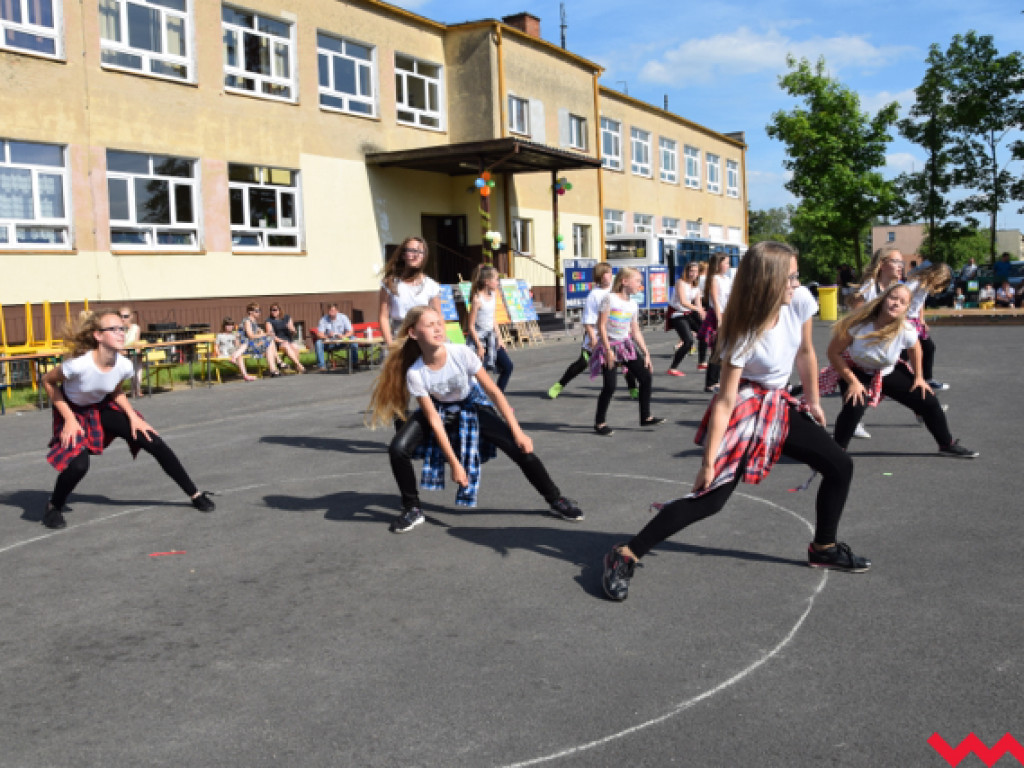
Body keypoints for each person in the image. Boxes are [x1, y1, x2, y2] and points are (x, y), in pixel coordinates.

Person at [601, 242, 869, 602]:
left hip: (778, 402)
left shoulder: (800, 300)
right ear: (769, 280)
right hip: (746, 405)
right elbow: (726, 400)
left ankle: (824, 548)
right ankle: (626, 554)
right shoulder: (743, 329)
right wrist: (708, 461)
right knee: (711, 499)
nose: (797, 284)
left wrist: (813, 401)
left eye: (796, 276)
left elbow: (806, 351)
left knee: (840, 465)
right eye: (790, 278)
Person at [366, 306, 583, 533]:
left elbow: (494, 392)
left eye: (439, 323)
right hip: (439, 410)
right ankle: (412, 508)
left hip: (472, 403)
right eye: (430, 325)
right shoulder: (416, 372)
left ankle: (556, 500)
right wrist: (455, 464)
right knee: (397, 448)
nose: (438, 328)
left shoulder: (461, 353)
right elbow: (434, 420)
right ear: (413, 333)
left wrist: (518, 432)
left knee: (519, 448)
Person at [39, 309, 215, 530]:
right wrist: (69, 419)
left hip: (101, 406)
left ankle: (195, 494)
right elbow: (47, 381)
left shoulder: (123, 365)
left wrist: (133, 416)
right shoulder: (78, 365)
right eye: (113, 329)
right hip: (71, 410)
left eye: (122, 328)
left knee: (151, 439)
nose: (121, 333)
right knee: (79, 466)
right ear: (98, 335)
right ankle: (53, 506)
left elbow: (114, 390)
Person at [823, 283, 978, 459]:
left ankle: (946, 445)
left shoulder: (906, 329)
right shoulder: (858, 324)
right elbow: (833, 353)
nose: (896, 303)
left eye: (902, 302)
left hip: (887, 371)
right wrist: (853, 382)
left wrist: (919, 377)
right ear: (883, 299)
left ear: (906, 308)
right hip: (856, 370)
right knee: (855, 405)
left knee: (928, 400)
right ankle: (836, 452)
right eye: (893, 298)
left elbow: (915, 349)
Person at [546, 262, 638, 400]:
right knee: (583, 362)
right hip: (596, 334)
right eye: (606, 273)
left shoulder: (616, 291)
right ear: (600, 276)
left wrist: (628, 329)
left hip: (616, 334)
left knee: (625, 361)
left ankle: (633, 388)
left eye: (611, 272)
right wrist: (593, 338)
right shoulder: (594, 295)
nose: (610, 275)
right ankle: (560, 384)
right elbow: (588, 321)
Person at [591, 266, 663, 436]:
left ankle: (645, 416)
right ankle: (600, 423)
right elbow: (601, 326)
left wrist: (646, 353)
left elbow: (635, 331)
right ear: (624, 281)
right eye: (637, 281)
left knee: (645, 377)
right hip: (609, 346)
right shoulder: (610, 299)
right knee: (610, 386)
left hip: (625, 346)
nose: (640, 284)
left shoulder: (633, 304)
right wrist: (607, 350)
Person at [846, 245, 906, 439]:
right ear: (882, 264)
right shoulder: (868, 289)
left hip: (883, 348)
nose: (901, 265)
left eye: (902, 262)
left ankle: (921, 409)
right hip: (861, 350)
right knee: (857, 392)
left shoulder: (895, 289)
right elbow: (854, 322)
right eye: (896, 261)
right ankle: (850, 426)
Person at [378, 236, 444, 346]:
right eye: (412, 250)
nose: (416, 255)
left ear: (424, 257)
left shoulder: (431, 285)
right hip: (399, 336)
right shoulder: (390, 283)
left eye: (420, 252)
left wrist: (441, 340)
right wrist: (390, 345)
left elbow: (438, 316)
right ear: (403, 255)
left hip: (425, 337)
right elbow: (383, 317)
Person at [905, 262, 953, 390]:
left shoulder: (925, 285)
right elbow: (901, 297)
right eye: (940, 281)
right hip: (906, 320)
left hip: (915, 320)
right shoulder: (914, 283)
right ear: (936, 275)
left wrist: (922, 319)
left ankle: (928, 379)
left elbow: (920, 303)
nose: (939, 285)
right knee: (905, 353)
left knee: (929, 348)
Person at [466, 265, 513, 391]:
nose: (498, 282)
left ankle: (498, 396)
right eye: (496, 279)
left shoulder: (493, 295)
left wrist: (500, 339)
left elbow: (493, 319)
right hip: (479, 340)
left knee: (508, 366)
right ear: (487, 281)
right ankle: (477, 399)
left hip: (491, 338)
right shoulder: (477, 299)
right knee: (480, 376)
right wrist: (479, 347)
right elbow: (471, 326)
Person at [698, 253, 733, 392]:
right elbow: (716, 300)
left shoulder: (727, 279)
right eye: (726, 263)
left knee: (726, 349)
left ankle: (720, 380)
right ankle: (711, 382)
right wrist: (719, 319)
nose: (728, 266)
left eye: (728, 263)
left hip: (728, 314)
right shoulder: (714, 279)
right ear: (718, 264)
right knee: (717, 349)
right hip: (718, 314)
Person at [665, 262, 705, 376]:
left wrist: (702, 314)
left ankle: (702, 362)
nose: (693, 274)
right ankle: (673, 368)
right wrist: (698, 309)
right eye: (691, 271)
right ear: (686, 271)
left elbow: (698, 303)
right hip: (677, 314)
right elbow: (683, 302)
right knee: (688, 341)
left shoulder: (696, 287)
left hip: (689, 313)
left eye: (695, 271)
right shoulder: (680, 283)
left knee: (705, 333)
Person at [240, 303, 280, 377]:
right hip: (247, 346)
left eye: (259, 310)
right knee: (269, 342)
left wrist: (264, 333)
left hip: (255, 344)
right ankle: (276, 365)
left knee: (269, 342)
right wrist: (265, 334)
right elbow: (250, 336)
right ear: (250, 312)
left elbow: (259, 333)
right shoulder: (247, 321)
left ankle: (274, 369)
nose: (259, 313)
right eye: (257, 311)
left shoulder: (254, 322)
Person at [314, 303, 357, 371]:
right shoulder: (323, 319)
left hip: (342, 341)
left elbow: (351, 331)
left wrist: (343, 336)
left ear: (337, 311)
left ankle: (354, 363)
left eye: (333, 310)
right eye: (330, 311)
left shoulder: (343, 317)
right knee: (318, 343)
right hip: (329, 343)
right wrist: (327, 336)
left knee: (353, 339)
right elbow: (319, 334)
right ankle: (321, 366)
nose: (331, 312)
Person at [266, 303, 306, 373]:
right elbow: (271, 336)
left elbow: (294, 332)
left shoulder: (287, 318)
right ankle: (299, 365)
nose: (273, 312)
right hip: (277, 342)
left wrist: (292, 329)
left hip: (288, 340)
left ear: (279, 310)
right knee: (286, 346)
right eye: (271, 310)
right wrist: (281, 341)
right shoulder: (269, 321)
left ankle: (296, 366)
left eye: (275, 310)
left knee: (295, 346)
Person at [216, 317, 255, 381]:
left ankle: (245, 375)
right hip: (225, 352)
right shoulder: (220, 335)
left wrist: (237, 338)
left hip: (233, 352)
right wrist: (218, 354)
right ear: (224, 326)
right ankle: (246, 375)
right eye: (228, 325)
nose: (230, 327)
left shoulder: (234, 334)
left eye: (231, 325)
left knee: (244, 346)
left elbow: (237, 346)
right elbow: (216, 346)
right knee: (239, 356)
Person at [118, 306, 144, 397]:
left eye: (126, 316)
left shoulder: (136, 328)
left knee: (137, 359)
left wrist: (135, 351)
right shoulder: (118, 329)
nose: (123, 319)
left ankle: (136, 388)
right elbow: (118, 345)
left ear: (131, 317)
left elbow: (136, 342)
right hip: (121, 353)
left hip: (131, 352)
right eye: (121, 316)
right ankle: (118, 390)